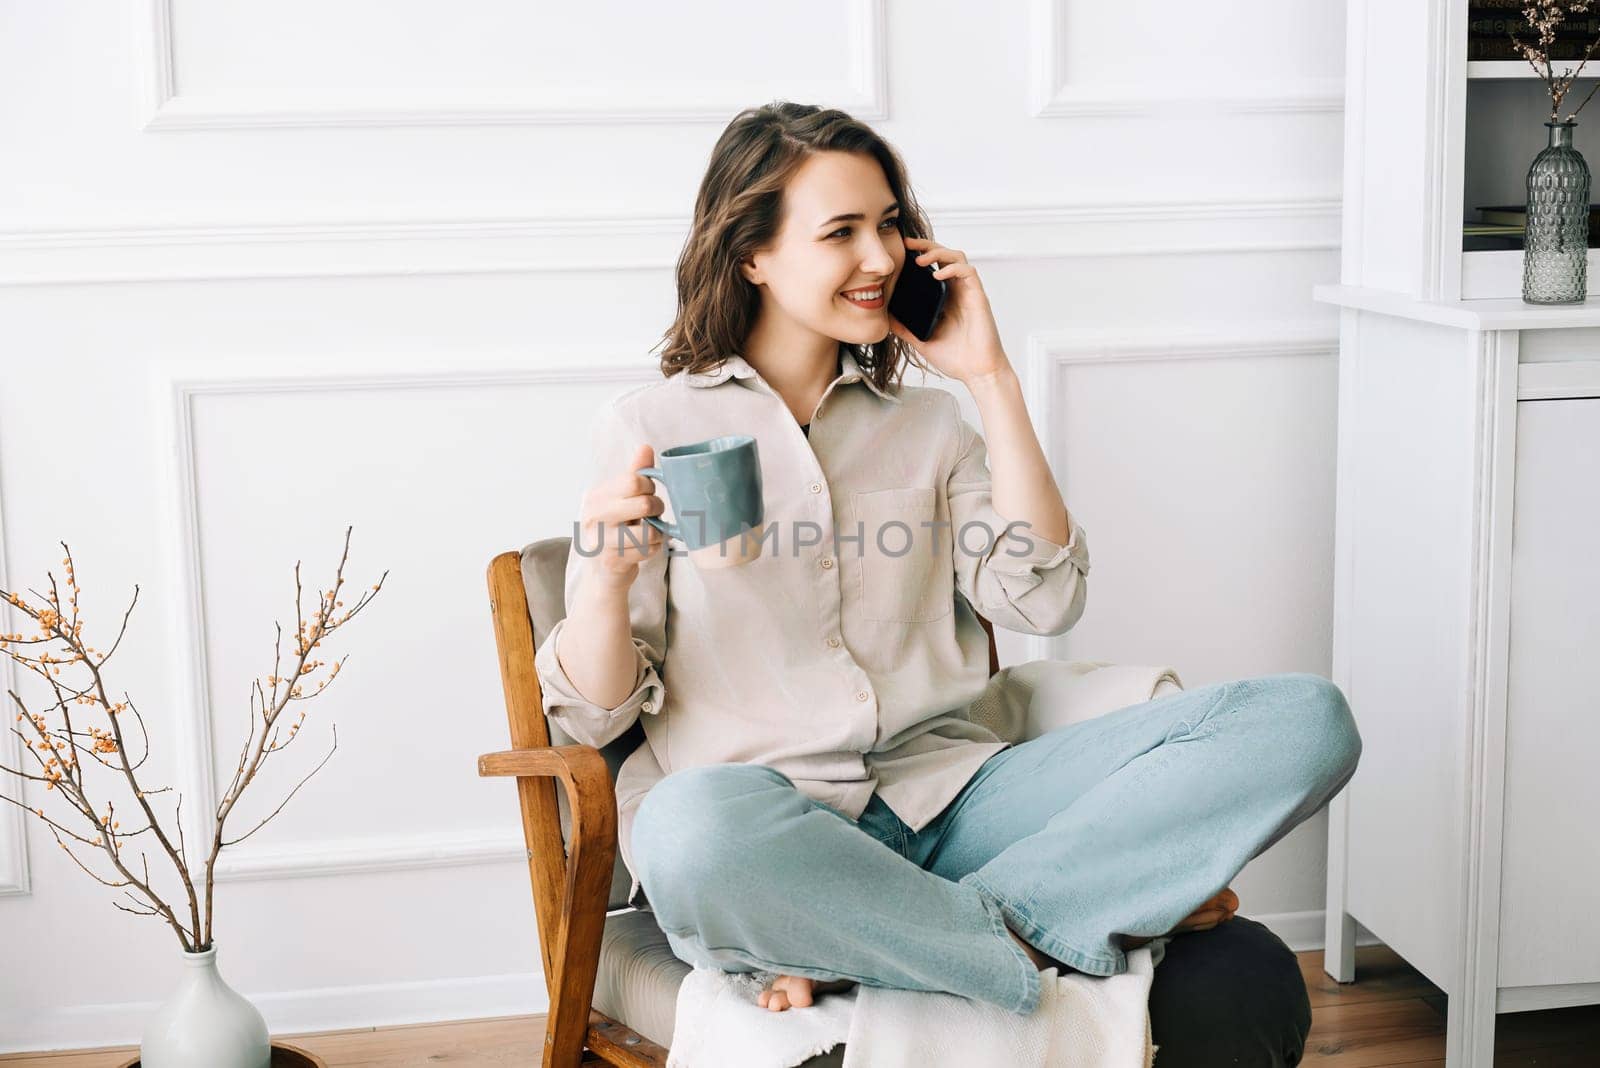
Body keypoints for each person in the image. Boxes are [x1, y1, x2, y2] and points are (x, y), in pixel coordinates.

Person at [533, 101, 1361, 1041]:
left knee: (1303, 719)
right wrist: (602, 582)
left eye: (889, 223)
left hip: (959, 800)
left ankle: (902, 935)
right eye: (841, 231)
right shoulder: (653, 426)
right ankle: (1021, 932)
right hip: (773, 825)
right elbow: (594, 714)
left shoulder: (928, 430)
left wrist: (991, 377)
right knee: (688, 830)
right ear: (750, 254)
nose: (881, 256)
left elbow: (1045, 596)